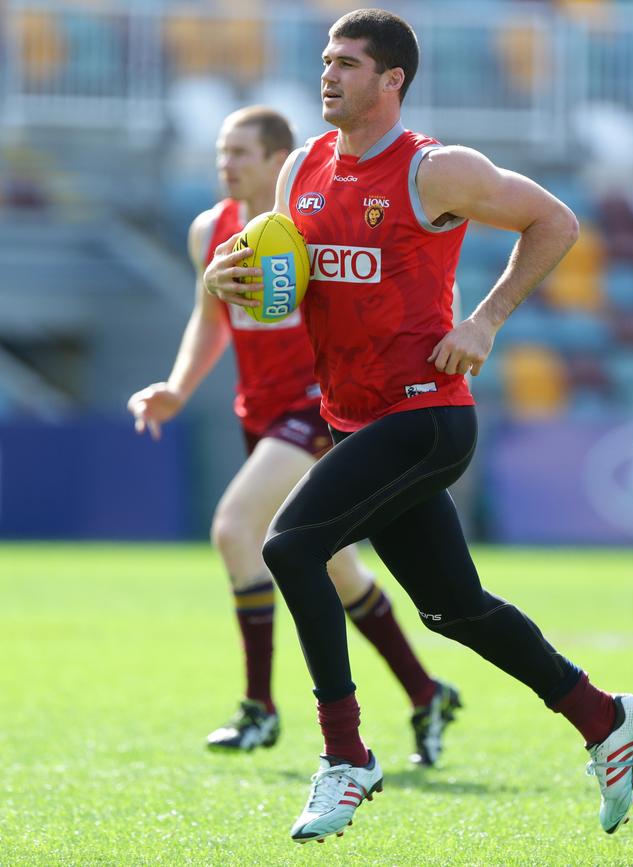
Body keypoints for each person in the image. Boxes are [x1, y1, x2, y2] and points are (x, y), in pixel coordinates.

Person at [204, 10, 633, 845]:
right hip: (354, 422)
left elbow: (555, 219)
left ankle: (347, 755)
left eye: (347, 63)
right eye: (325, 60)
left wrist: (483, 321)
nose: (327, 75)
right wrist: (245, 283)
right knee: (454, 608)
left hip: (426, 415)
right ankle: (603, 713)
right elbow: (298, 283)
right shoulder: (300, 168)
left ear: (392, 80)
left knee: (290, 544)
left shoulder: (436, 170)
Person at [127, 105, 461, 765]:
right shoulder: (211, 230)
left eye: (241, 153)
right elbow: (211, 318)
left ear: (279, 162)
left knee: (234, 527)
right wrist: (176, 386)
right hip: (260, 409)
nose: (227, 164)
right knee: (336, 565)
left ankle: (260, 707)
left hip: (315, 406)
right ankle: (427, 693)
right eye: (222, 151)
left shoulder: (306, 227)